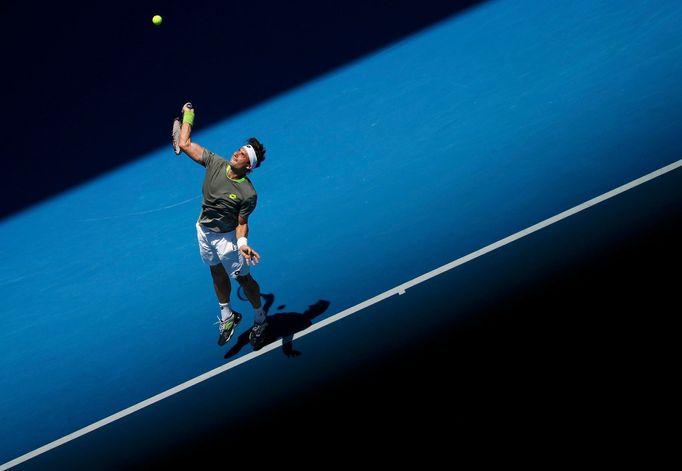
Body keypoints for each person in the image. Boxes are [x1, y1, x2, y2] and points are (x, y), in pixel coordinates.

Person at [175, 102, 268, 347]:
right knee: (215, 272)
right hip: (203, 230)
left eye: (243, 155)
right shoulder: (215, 162)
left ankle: (260, 317)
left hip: (228, 238)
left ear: (249, 167)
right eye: (238, 150)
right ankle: (228, 314)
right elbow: (184, 144)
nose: (236, 153)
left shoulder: (248, 193)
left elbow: (241, 222)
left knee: (243, 280)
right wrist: (188, 115)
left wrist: (243, 244)